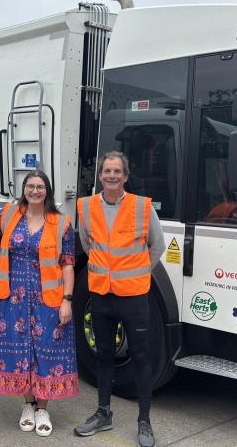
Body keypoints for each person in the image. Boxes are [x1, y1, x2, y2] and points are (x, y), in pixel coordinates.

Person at [0, 169, 78, 437]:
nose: (35, 191)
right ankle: (28, 405)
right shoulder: (9, 214)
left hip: (48, 300)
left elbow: (68, 264)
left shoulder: (61, 223)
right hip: (13, 300)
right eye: (30, 186)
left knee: (46, 352)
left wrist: (67, 300)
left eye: (40, 187)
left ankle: (43, 409)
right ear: (24, 189)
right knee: (20, 352)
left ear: (47, 191)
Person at [73, 151, 165, 447]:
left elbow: (157, 246)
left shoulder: (142, 207)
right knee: (103, 355)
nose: (111, 176)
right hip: (102, 295)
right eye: (107, 171)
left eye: (117, 171)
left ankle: (144, 421)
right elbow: (88, 245)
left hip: (133, 297)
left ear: (125, 176)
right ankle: (103, 413)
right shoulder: (86, 207)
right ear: (100, 176)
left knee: (141, 357)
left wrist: (137, 273)